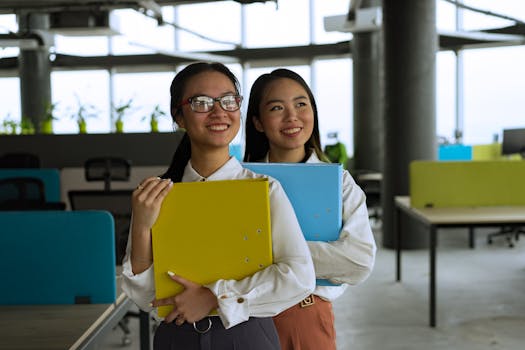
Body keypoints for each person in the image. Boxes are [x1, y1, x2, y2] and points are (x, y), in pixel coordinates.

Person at [120, 62, 316, 350]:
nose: (218, 111)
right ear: (179, 117)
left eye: (228, 100)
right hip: (176, 337)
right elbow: (146, 295)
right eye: (201, 102)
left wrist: (215, 297)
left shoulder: (263, 190)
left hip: (246, 335)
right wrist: (142, 226)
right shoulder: (158, 194)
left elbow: (300, 276)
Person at [244, 68, 377, 350]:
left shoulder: (338, 182)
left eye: (301, 104)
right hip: (245, 316)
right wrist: (309, 256)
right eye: (277, 107)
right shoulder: (242, 183)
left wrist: (268, 252)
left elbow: (358, 262)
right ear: (257, 122)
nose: (292, 116)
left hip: (305, 316)